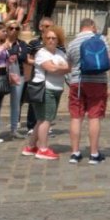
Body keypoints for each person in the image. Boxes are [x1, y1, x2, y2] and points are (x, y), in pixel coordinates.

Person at [65, 19, 109, 165]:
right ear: (93, 26)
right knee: (94, 116)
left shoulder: (72, 43)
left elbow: (69, 65)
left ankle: (75, 153)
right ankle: (94, 154)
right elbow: (108, 59)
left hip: (77, 82)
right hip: (97, 82)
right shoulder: (101, 39)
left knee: (76, 117)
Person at [24, 26, 68, 160]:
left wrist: (60, 68)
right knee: (46, 119)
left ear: (58, 39)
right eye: (48, 38)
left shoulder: (60, 53)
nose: (50, 40)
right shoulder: (41, 53)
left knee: (41, 119)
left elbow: (67, 68)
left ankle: (31, 146)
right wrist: (61, 68)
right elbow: (51, 68)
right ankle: (43, 148)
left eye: (53, 38)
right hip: (45, 88)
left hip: (57, 88)